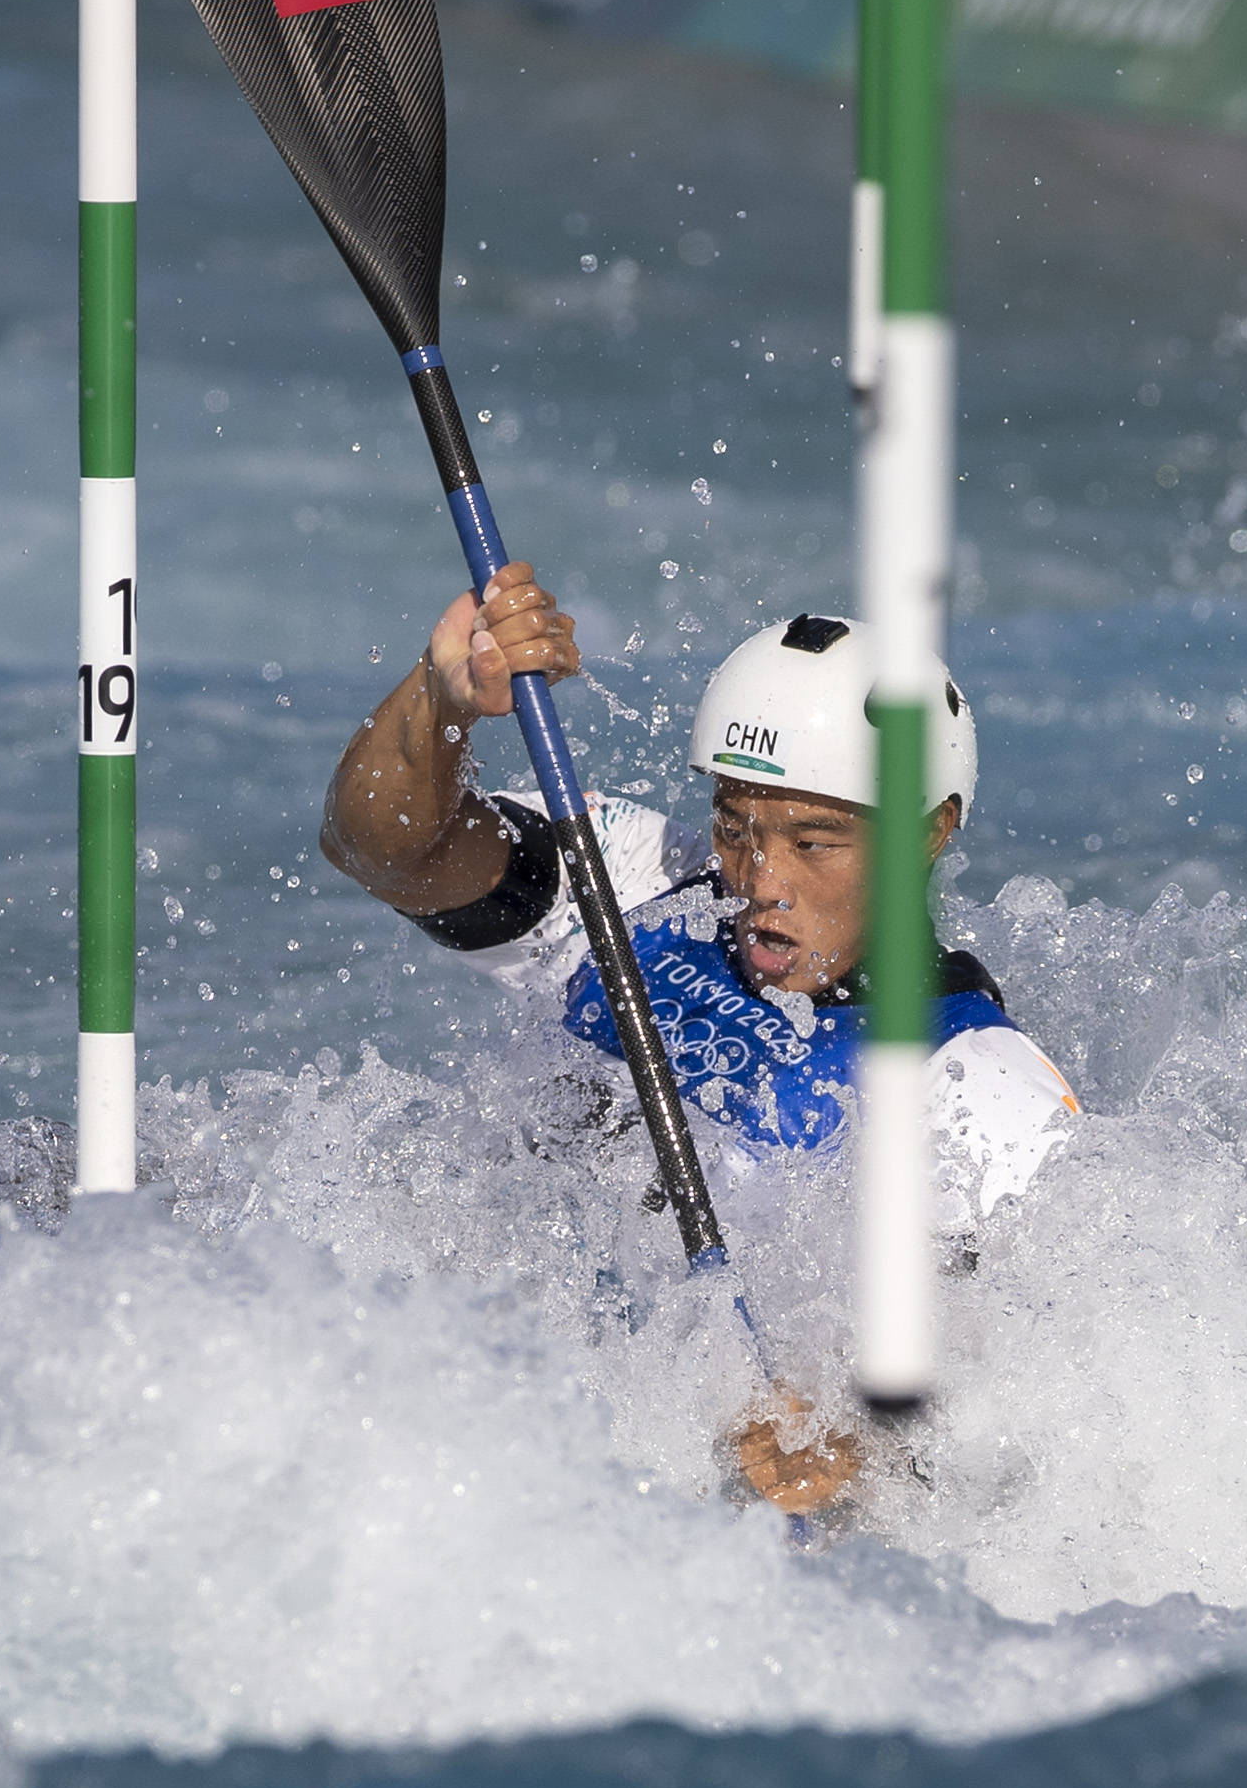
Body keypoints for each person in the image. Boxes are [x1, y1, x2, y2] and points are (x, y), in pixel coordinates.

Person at [319, 563, 1078, 1516]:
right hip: (462, 1385)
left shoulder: (982, 1091)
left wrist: (845, 1455)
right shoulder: (638, 888)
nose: (761, 879)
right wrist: (443, 703)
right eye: (735, 826)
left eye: (814, 843)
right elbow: (381, 848)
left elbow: (1006, 1443)